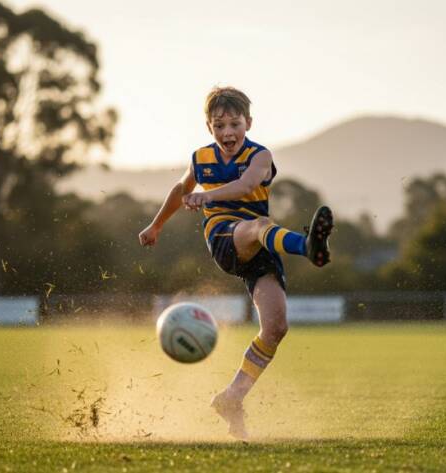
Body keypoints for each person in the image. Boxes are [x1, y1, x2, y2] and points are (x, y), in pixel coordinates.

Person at [138, 86, 333, 439]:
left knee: (276, 328)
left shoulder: (260, 156)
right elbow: (179, 189)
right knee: (259, 227)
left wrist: (205, 195)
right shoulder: (201, 158)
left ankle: (232, 397)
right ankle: (306, 245)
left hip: (260, 245)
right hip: (225, 237)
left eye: (234, 124)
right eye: (219, 125)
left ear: (249, 123)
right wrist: (156, 225)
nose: (228, 132)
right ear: (209, 128)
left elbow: (245, 187)